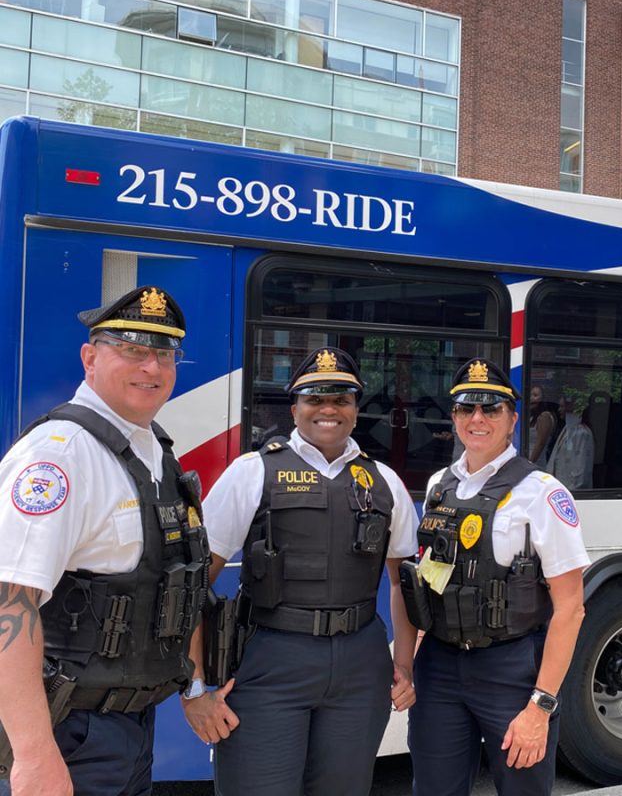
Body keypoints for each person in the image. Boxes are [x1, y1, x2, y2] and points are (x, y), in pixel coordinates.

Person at [182, 347, 418, 796]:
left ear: (355, 409)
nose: (328, 409)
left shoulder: (384, 481)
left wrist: (404, 664)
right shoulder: (251, 473)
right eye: (315, 398)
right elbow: (194, 582)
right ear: (295, 408)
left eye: (342, 399)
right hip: (270, 660)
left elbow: (403, 583)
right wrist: (194, 687)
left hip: (359, 665)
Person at [0, 286, 206, 796]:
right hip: (68, 733)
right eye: (133, 349)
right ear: (90, 357)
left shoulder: (151, 449)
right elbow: (9, 604)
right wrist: (33, 753)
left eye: (164, 353)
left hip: (127, 730)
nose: (152, 368)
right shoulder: (61, 456)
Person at [406, 358, 589, 796]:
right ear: (453, 418)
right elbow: (431, 576)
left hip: (512, 669)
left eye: (491, 409)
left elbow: (571, 608)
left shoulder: (542, 493)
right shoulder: (439, 487)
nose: (478, 419)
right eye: (467, 409)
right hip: (440, 665)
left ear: (511, 420)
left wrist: (541, 706)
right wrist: (409, 660)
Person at [547, 397, 594, 490]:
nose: (559, 410)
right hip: (560, 486)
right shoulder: (567, 429)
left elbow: (581, 467)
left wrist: (573, 490)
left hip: (572, 490)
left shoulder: (582, 433)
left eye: (562, 406)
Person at [528, 385, 559, 467]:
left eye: (535, 395)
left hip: (535, 463)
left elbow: (540, 443)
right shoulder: (530, 418)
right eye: (529, 395)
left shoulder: (545, 417)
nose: (531, 398)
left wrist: (529, 464)